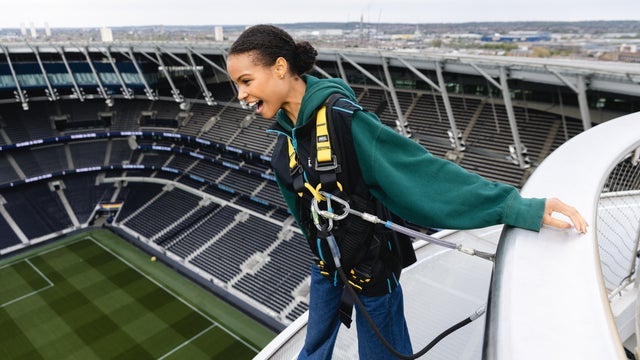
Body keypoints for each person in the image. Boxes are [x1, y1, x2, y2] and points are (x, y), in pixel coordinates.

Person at [226, 24, 588, 360]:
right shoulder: (282, 149)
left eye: (246, 81)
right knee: (313, 351)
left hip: (370, 270)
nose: (241, 95)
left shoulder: (344, 120)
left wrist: (517, 207)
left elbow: (423, 174)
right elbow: (306, 220)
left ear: (279, 67)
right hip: (328, 268)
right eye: (237, 85)